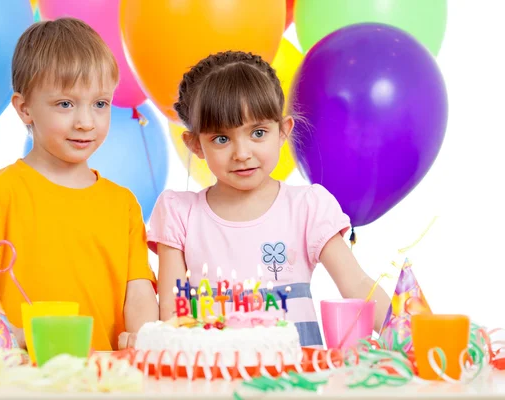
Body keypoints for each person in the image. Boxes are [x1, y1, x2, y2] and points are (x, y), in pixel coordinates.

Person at [0, 18, 158, 351]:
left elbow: (138, 292)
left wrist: (144, 336)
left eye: (100, 104)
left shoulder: (123, 205)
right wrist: (7, 332)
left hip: (104, 379)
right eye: (65, 104)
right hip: (19, 378)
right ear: (25, 109)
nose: (85, 122)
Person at [148, 50, 390, 347]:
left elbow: (357, 284)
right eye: (221, 139)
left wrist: (408, 333)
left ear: (282, 131)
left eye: (258, 133)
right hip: (214, 383)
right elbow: (171, 314)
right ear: (195, 144)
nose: (242, 153)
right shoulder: (180, 213)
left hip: (298, 382)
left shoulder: (307, 208)